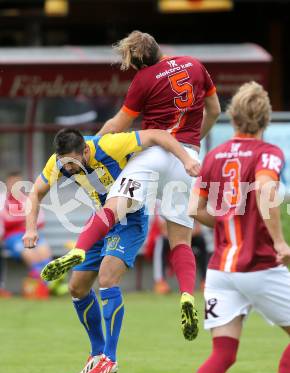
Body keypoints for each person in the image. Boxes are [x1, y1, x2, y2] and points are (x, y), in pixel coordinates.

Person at [41, 30, 221, 341]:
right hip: (185, 157)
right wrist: (193, 145)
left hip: (152, 154)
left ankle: (78, 251)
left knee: (113, 208)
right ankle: (187, 295)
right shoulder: (195, 65)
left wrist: (94, 142)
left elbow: (117, 127)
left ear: (137, 64)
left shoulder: (144, 80)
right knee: (180, 239)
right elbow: (215, 111)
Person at [23, 127, 198, 373]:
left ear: (85, 151)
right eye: (65, 164)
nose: (69, 169)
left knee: (106, 278)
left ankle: (110, 358)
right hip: (99, 220)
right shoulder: (58, 163)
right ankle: (96, 354)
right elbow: (35, 192)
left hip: (130, 219)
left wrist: (186, 159)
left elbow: (156, 135)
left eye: (73, 163)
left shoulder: (109, 146)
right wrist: (30, 229)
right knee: (77, 288)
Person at [191, 82, 290, 373]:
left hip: (221, 270)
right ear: (265, 119)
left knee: (222, 353)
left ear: (232, 118)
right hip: (259, 265)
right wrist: (279, 241)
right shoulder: (268, 153)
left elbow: (194, 208)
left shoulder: (215, 156)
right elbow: (264, 189)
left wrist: (225, 221)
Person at [0, 172, 65, 298]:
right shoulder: (3, 201)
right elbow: (5, 221)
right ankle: (49, 284)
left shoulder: (28, 199)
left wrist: (23, 220)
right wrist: (24, 219)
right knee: (30, 253)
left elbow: (40, 220)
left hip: (31, 234)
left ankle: (47, 283)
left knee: (44, 251)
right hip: (12, 237)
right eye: (12, 183)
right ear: (7, 184)